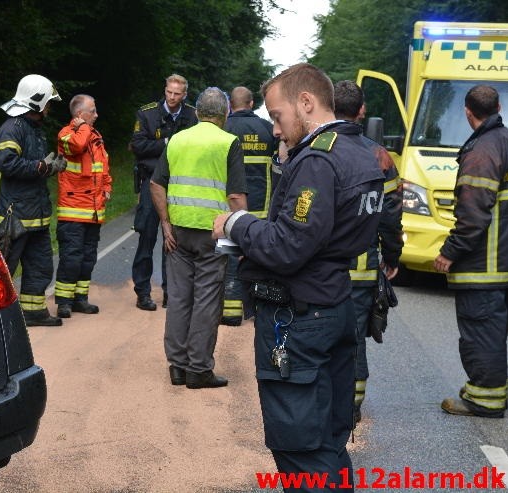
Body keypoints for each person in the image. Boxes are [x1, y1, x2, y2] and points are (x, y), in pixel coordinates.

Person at [213, 63, 384, 491]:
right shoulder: (362, 151)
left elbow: (288, 245)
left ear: (306, 102)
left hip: (299, 318)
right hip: (336, 305)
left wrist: (236, 224)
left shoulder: (318, 160)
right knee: (327, 438)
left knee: (301, 447)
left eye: (277, 116)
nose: (274, 128)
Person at [150, 87, 247, 389]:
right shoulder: (228, 142)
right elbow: (235, 197)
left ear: (197, 112)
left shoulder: (178, 139)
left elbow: (156, 184)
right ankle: (199, 369)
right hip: (214, 234)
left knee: (179, 298)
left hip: (177, 232)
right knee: (207, 300)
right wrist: (245, 234)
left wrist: (165, 223)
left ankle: (177, 366)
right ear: (225, 113)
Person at [435, 84, 508, 419]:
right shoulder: (504, 140)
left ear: (468, 112)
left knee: (482, 333)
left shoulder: (482, 150)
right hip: (502, 260)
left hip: (486, 265)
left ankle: (485, 400)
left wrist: (450, 252)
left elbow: (473, 213)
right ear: (498, 108)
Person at [333, 80, 403, 423]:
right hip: (362, 268)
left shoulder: (319, 149)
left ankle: (324, 400)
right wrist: (392, 256)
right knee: (355, 338)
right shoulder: (380, 156)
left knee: (320, 332)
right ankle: (352, 405)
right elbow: (391, 214)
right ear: (362, 111)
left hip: (322, 268)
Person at [0, 74, 66, 327]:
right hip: (15, 217)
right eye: (48, 102)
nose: (50, 107)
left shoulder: (35, 129)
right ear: (37, 102)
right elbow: (7, 162)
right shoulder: (12, 127)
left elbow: (37, 167)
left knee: (41, 266)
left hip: (37, 216)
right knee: (3, 272)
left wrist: (51, 167)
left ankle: (32, 313)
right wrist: (41, 167)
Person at [130, 74, 198, 311]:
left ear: (184, 95)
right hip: (151, 181)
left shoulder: (192, 115)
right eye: (169, 92)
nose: (171, 97)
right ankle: (143, 292)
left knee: (173, 240)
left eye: (177, 94)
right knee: (146, 236)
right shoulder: (147, 113)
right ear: (165, 90)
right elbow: (137, 146)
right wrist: (167, 143)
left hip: (179, 183)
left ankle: (171, 292)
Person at [220, 86, 277, 326]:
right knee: (260, 257)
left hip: (231, 208)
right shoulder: (267, 129)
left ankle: (231, 312)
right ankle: (258, 309)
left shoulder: (223, 129)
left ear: (230, 105)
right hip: (262, 207)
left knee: (231, 255)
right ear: (252, 103)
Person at [54, 95, 112, 318]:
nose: (96, 115)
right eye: (92, 111)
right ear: (80, 115)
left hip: (94, 210)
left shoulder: (95, 136)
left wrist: (107, 186)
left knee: (88, 257)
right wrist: (84, 127)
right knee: (72, 257)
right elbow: (77, 146)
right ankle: (64, 302)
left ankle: (80, 299)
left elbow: (103, 166)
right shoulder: (66, 134)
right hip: (73, 210)